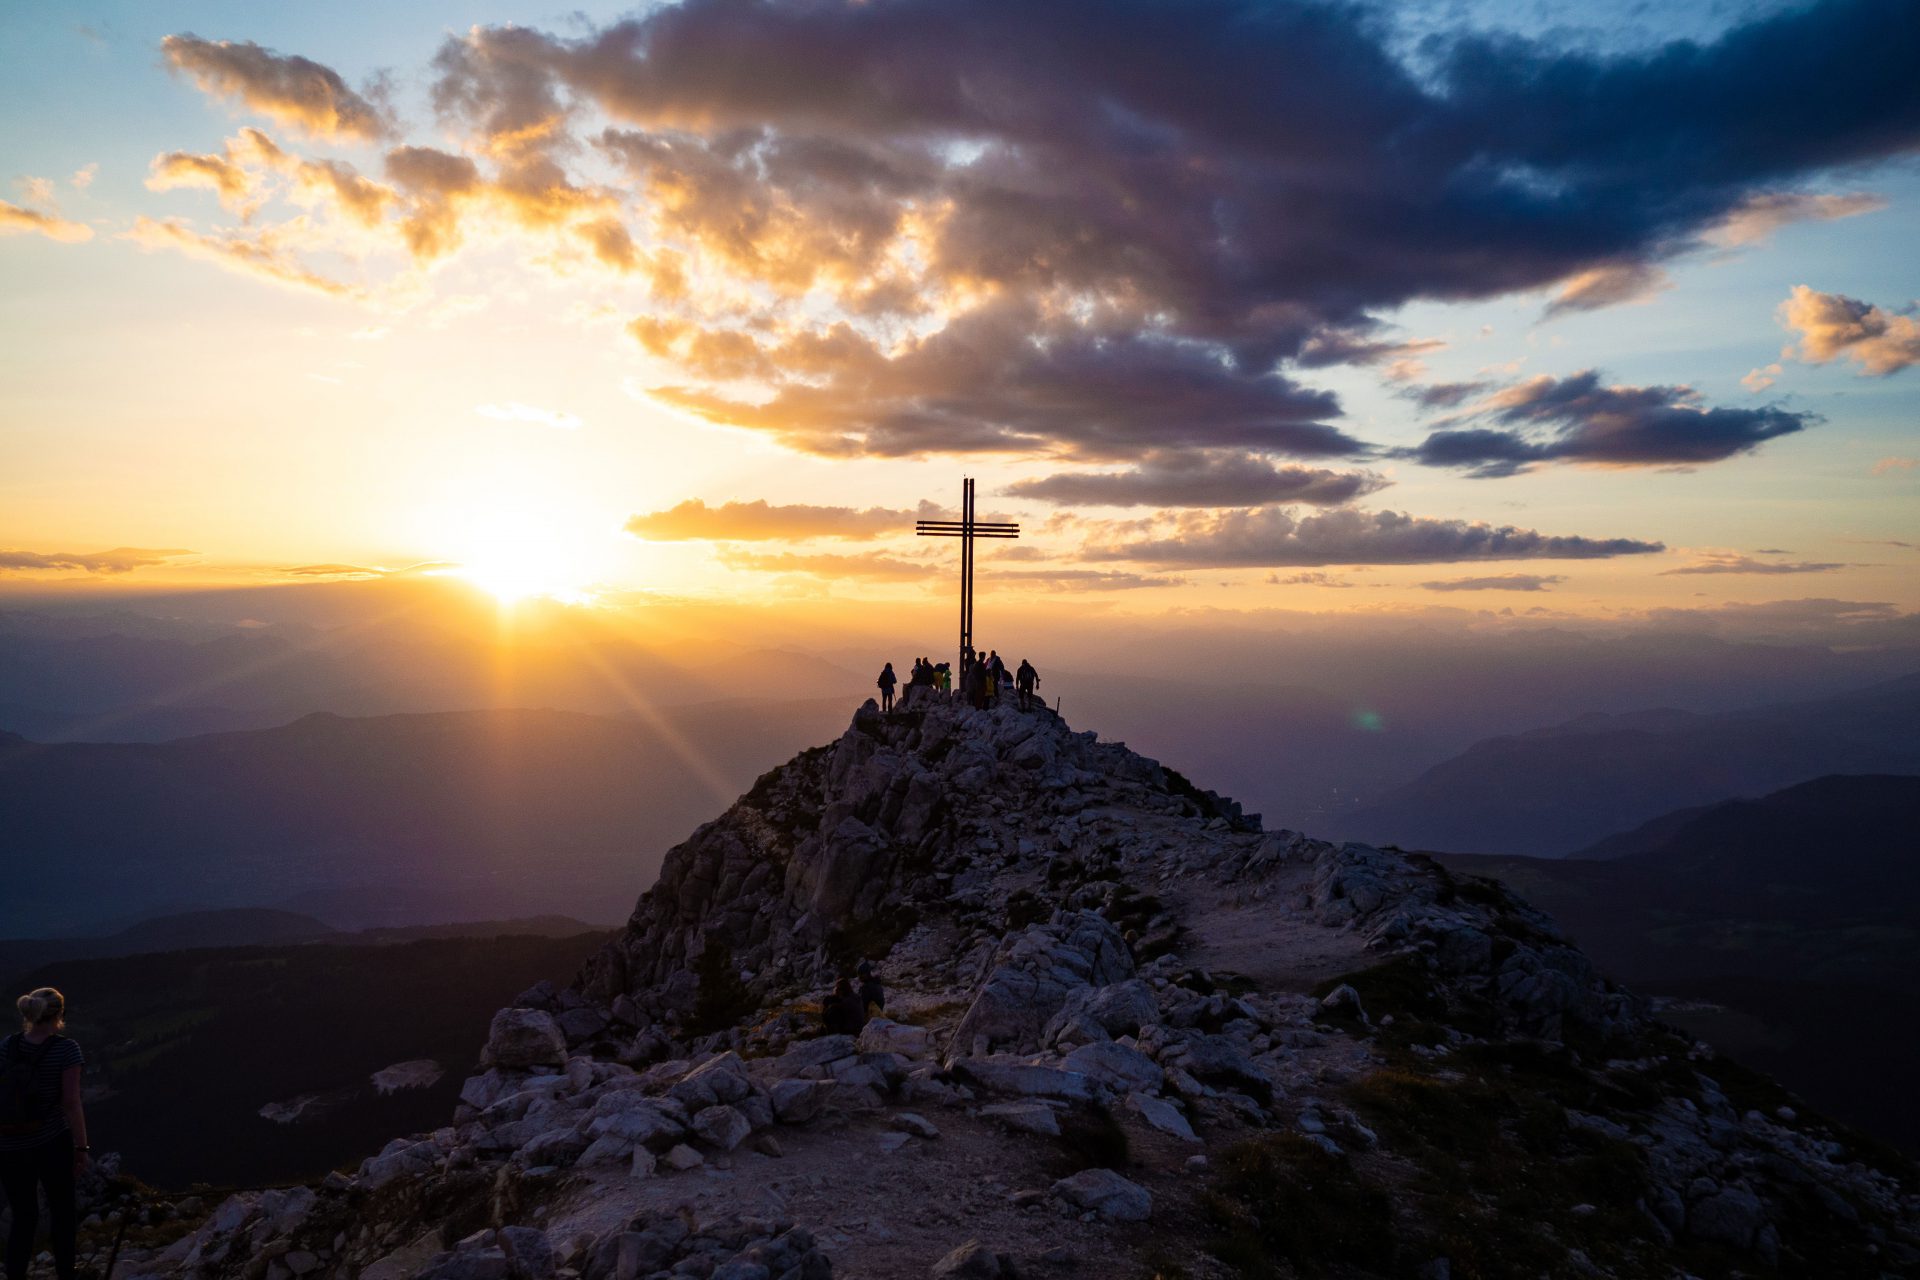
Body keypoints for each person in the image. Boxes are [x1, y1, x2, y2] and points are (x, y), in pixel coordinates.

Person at [1, 988, 86, 1280]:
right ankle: (65, 1273)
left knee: (23, 1217)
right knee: (62, 1211)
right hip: (51, 1141)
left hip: (10, 1146)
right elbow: (71, 1102)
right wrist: (82, 1147)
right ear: (59, 1015)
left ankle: (14, 1275)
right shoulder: (66, 1049)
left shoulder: (7, 1046)